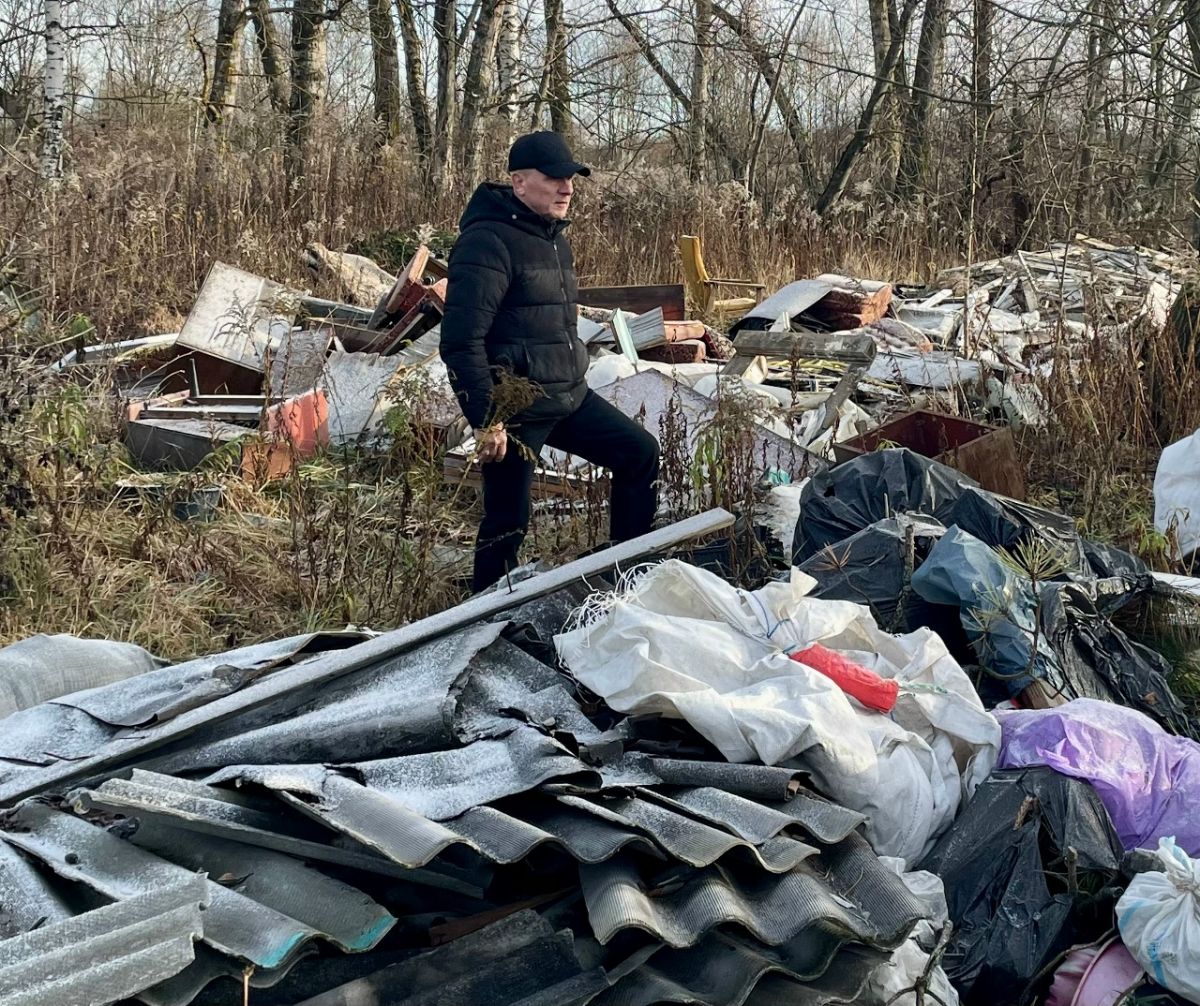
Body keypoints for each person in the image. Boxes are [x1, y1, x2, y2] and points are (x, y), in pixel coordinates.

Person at [440, 131, 661, 592]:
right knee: (507, 520)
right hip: (515, 409)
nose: (568, 188)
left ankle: (629, 579)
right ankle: (484, 618)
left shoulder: (555, 239)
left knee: (638, 453)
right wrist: (486, 419)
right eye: (555, 178)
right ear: (519, 183)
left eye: (572, 178)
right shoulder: (486, 243)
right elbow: (461, 341)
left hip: (567, 396)